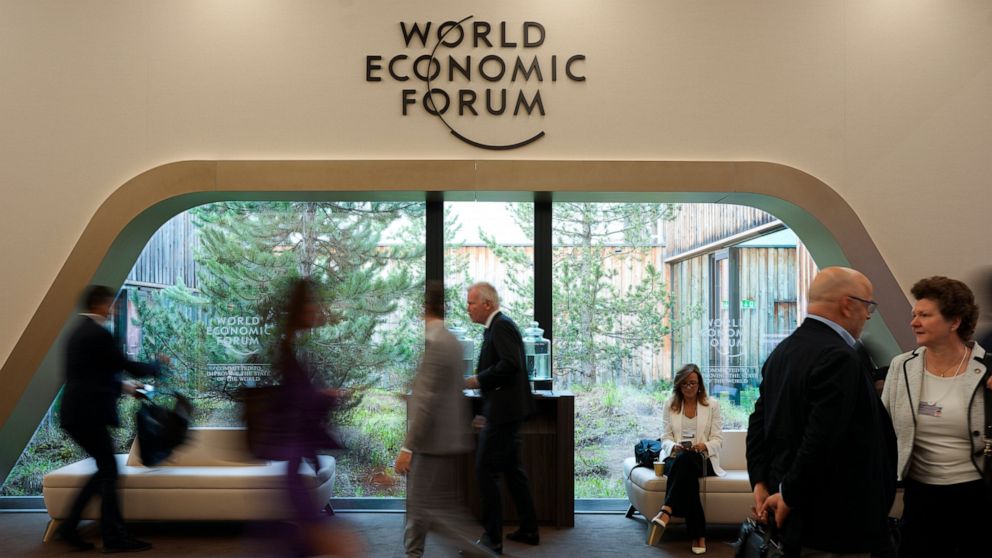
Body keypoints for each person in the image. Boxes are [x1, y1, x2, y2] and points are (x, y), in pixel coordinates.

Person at [746, 267, 896, 557]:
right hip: (834, 519)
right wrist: (789, 494)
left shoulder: (783, 351)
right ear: (848, 304)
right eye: (868, 306)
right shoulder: (839, 356)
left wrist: (760, 481)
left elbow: (759, 423)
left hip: (795, 514)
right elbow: (821, 439)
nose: (868, 316)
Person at [880, 276, 992, 557]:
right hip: (920, 496)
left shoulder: (987, 368)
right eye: (914, 315)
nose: (914, 322)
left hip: (977, 495)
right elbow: (883, 428)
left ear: (954, 322)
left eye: (925, 315)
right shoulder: (902, 367)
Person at [57, 285, 166, 553]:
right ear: (99, 305)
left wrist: (126, 388)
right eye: (112, 305)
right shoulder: (98, 334)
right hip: (88, 414)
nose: (114, 310)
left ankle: (70, 528)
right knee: (109, 471)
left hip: (77, 413)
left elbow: (94, 375)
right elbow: (125, 365)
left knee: (105, 470)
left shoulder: (78, 333)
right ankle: (114, 537)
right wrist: (157, 364)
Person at [395, 281, 496, 558]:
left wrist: (407, 448)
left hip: (432, 442)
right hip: (446, 440)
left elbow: (428, 400)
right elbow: (445, 390)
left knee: (425, 512)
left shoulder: (438, 343)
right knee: (433, 511)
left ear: (423, 309)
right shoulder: (450, 341)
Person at [268, 278, 362, 558]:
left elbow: (298, 400)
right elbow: (299, 405)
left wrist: (321, 395)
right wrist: (325, 397)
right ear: (301, 308)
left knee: (306, 541)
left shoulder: (290, 346)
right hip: (294, 458)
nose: (318, 310)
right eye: (313, 304)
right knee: (322, 542)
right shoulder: (287, 349)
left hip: (296, 459)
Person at [463, 281, 538, 555]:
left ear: (488, 304)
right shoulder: (494, 327)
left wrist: (477, 379)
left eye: (471, 303)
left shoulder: (501, 326)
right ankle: (529, 529)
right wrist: (485, 411)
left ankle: (492, 539)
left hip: (505, 415)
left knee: (485, 472)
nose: (468, 308)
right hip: (502, 412)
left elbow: (510, 364)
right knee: (513, 471)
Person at [647, 363, 724, 555]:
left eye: (693, 383)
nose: (689, 387)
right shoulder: (670, 404)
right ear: (679, 385)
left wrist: (704, 446)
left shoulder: (712, 405)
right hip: (675, 457)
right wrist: (673, 446)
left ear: (700, 384)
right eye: (685, 383)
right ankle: (698, 535)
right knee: (684, 463)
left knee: (687, 460)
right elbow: (665, 437)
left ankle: (666, 511)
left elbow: (718, 440)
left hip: (702, 459)